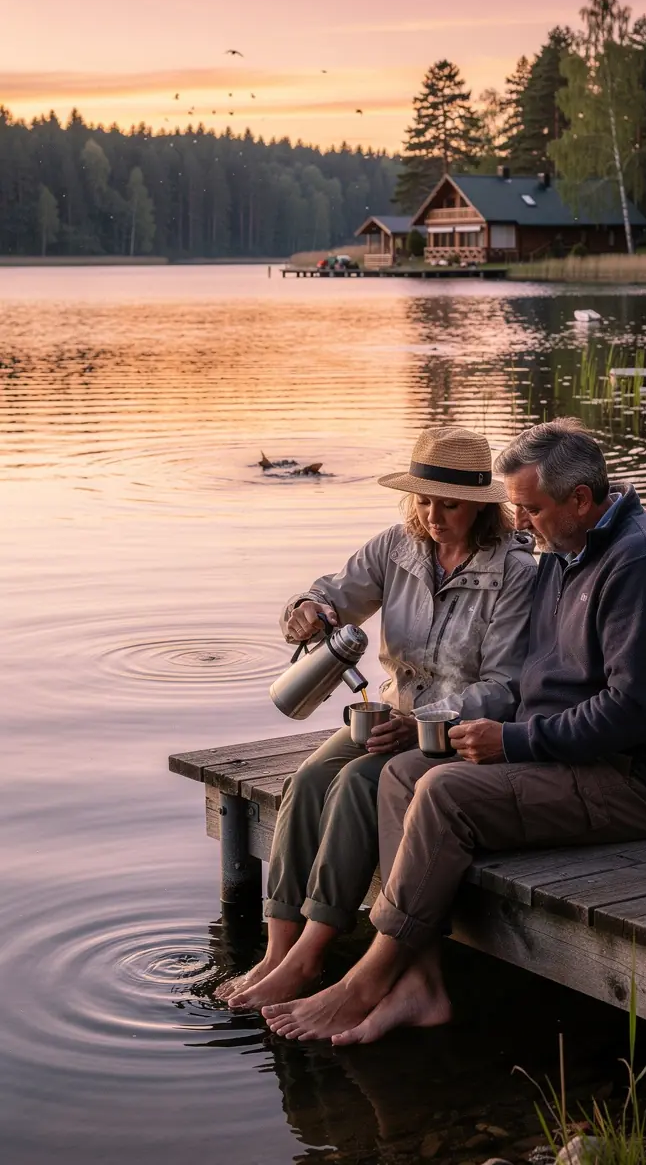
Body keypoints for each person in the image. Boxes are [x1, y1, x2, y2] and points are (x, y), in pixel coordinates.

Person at [260, 417, 646, 1044]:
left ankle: (365, 980)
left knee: (443, 791)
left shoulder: (642, 566)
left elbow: (635, 713)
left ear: (579, 499)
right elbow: (542, 681)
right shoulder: (567, 551)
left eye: (529, 509)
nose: (520, 524)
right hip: (562, 752)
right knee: (400, 775)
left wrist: (511, 741)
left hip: (636, 778)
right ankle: (419, 984)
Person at [215, 426, 536, 1009]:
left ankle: (312, 955)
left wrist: (423, 727)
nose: (433, 516)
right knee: (307, 781)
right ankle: (277, 948)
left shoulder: (515, 571)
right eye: (424, 500)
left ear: (481, 507)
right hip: (390, 710)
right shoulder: (396, 546)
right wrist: (306, 610)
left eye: (450, 504)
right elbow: (334, 593)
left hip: (455, 730)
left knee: (357, 784)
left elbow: (506, 688)